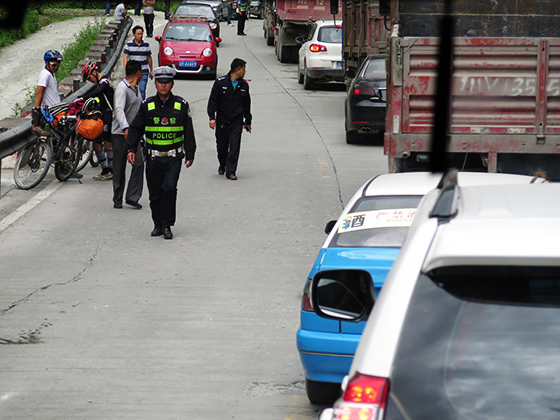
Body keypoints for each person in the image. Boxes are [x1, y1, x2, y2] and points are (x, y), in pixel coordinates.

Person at [126, 66, 196, 240]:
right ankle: (157, 224)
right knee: (155, 193)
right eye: (160, 82)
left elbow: (188, 131)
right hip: (153, 158)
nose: (163, 86)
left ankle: (167, 225)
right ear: (155, 84)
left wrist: (190, 153)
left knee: (169, 189)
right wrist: (131, 149)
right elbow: (135, 129)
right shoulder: (147, 106)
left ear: (172, 84)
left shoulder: (181, 105)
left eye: (167, 82)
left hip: (174, 157)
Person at [207, 58, 252, 181]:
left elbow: (247, 104)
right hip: (222, 122)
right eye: (243, 69)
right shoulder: (220, 83)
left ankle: (231, 171)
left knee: (235, 146)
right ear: (237, 70)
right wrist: (212, 118)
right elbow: (213, 101)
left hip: (236, 122)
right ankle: (223, 163)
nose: (245, 71)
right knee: (221, 147)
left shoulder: (244, 85)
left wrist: (248, 121)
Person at [112, 61, 144, 209]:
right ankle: (117, 198)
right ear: (138, 73)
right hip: (120, 134)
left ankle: (132, 196)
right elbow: (118, 109)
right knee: (119, 166)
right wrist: (125, 128)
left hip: (134, 134)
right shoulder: (122, 89)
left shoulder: (136, 89)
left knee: (138, 163)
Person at [80, 61, 115, 180]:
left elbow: (99, 93)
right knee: (100, 142)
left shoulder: (104, 82)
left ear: (94, 72)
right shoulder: (101, 83)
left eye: (89, 77)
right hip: (104, 115)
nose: (90, 81)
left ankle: (109, 169)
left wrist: (83, 98)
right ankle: (109, 169)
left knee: (105, 142)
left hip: (108, 115)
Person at [32, 50, 63, 136]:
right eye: (54, 65)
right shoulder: (45, 74)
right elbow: (39, 92)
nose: (56, 67)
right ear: (47, 63)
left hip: (57, 109)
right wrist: (37, 109)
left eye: (58, 65)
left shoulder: (51, 74)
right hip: (52, 111)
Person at [124, 25, 153, 100]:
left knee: (142, 89)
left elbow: (149, 57)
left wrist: (151, 70)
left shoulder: (146, 45)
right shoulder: (129, 45)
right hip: (133, 72)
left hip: (144, 71)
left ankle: (142, 105)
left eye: (141, 34)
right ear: (134, 35)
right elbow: (126, 56)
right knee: (132, 89)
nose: (140, 36)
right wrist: (126, 68)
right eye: (138, 34)